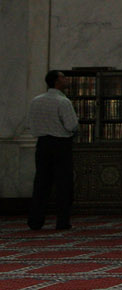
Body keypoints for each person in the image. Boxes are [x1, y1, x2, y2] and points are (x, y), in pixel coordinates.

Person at [28, 70, 78, 231]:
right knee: (64, 185)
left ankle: (35, 221)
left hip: (42, 145)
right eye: (63, 77)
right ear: (57, 81)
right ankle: (62, 222)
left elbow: (32, 125)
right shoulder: (63, 102)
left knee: (41, 184)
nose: (66, 79)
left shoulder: (36, 101)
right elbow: (72, 125)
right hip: (60, 145)